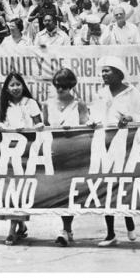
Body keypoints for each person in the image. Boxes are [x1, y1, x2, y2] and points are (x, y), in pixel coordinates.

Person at [90, 56, 140, 247]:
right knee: (107, 188)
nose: (104, 74)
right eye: (103, 71)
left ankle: (129, 223)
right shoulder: (100, 93)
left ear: (118, 73)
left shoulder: (133, 93)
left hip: (126, 146)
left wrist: (131, 118)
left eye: (107, 71)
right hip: (104, 145)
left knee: (123, 187)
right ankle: (110, 233)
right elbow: (94, 115)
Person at [0, 71, 44, 245]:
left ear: (23, 85)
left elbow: (39, 124)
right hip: (9, 153)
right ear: (7, 88)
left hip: (27, 152)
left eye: (18, 84)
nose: (15, 88)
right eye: (12, 85)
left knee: (21, 190)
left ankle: (11, 231)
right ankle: (20, 225)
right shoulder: (4, 105)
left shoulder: (30, 103)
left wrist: (36, 126)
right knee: (11, 191)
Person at [41, 68, 89, 247]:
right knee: (59, 192)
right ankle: (66, 229)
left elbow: (85, 127)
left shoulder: (79, 104)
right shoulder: (47, 104)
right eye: (57, 86)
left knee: (70, 193)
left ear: (71, 86)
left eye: (64, 86)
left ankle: (65, 228)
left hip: (74, 153)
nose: (60, 89)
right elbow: (44, 127)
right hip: (55, 152)